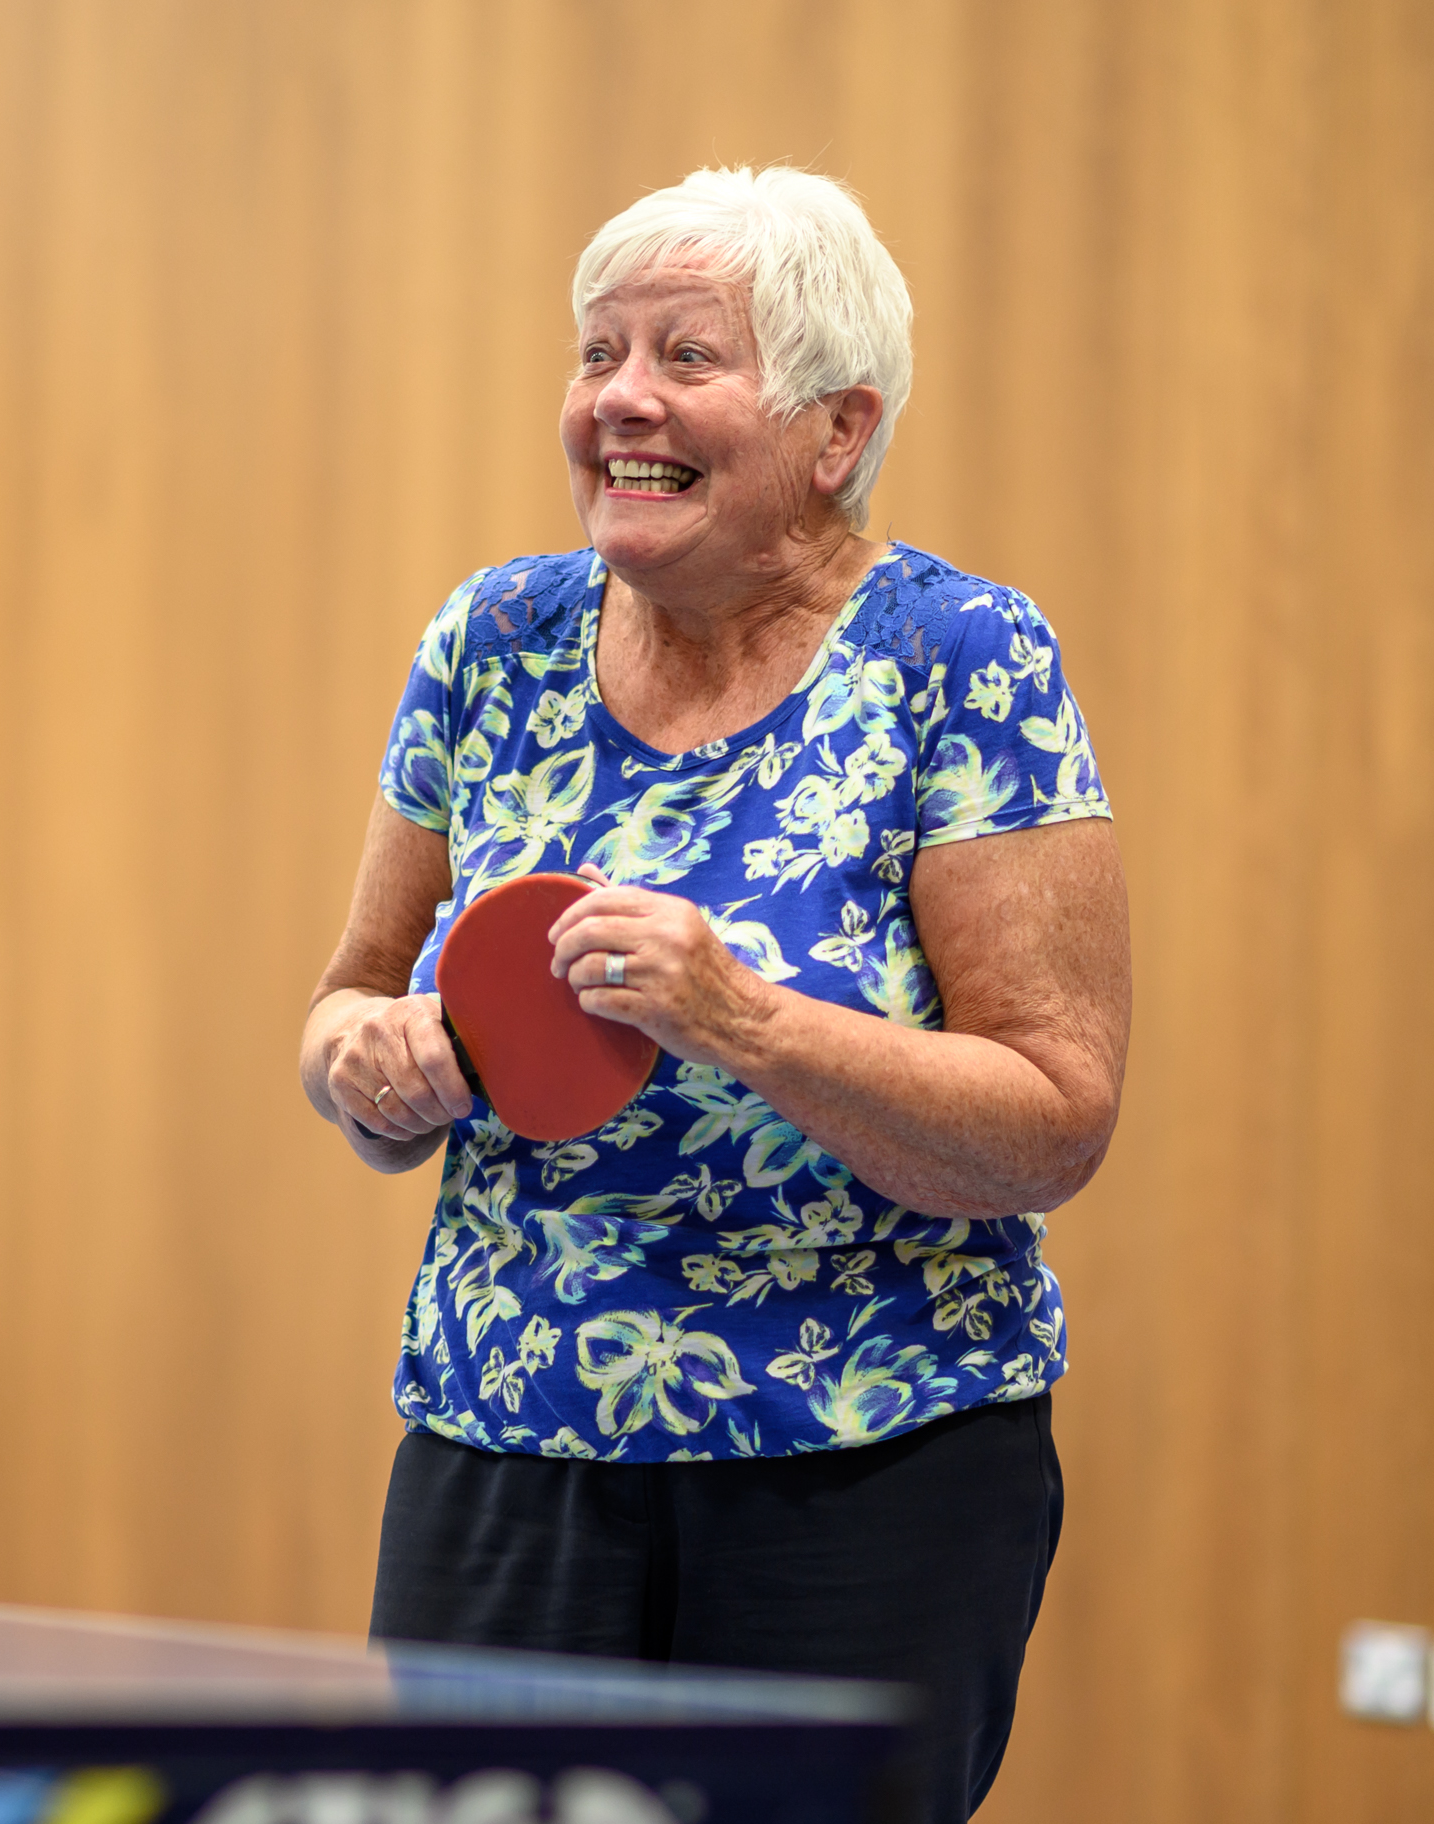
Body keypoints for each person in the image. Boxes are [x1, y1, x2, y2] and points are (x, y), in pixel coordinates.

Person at [298, 167, 1130, 1821]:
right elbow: (345, 1004)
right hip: (502, 1455)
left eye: (685, 355)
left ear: (838, 429)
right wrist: (368, 1066)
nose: (620, 397)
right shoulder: (492, 641)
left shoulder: (962, 655)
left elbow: (1050, 1121)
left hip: (863, 1473)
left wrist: (739, 1015)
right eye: (597, 350)